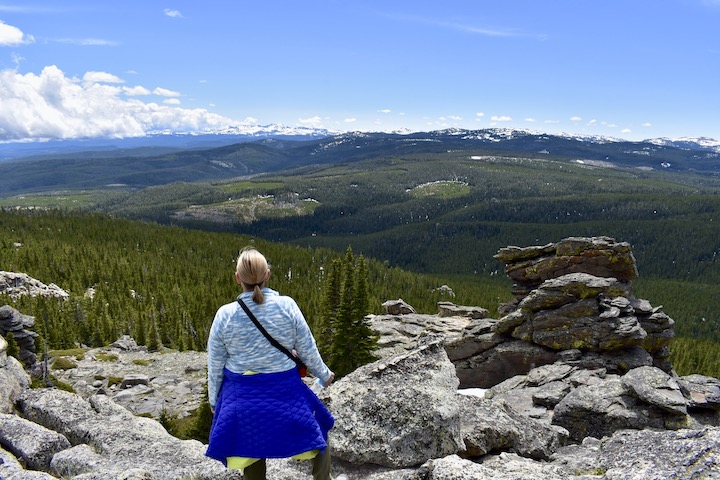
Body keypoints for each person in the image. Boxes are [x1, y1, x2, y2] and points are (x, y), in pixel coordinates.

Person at [205, 246, 337, 480]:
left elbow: (215, 365)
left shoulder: (225, 314)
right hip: (285, 392)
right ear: (267, 275)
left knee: (252, 445)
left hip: (241, 398)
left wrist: (215, 400)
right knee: (320, 427)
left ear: (238, 279)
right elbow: (307, 348)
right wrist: (324, 375)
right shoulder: (287, 306)